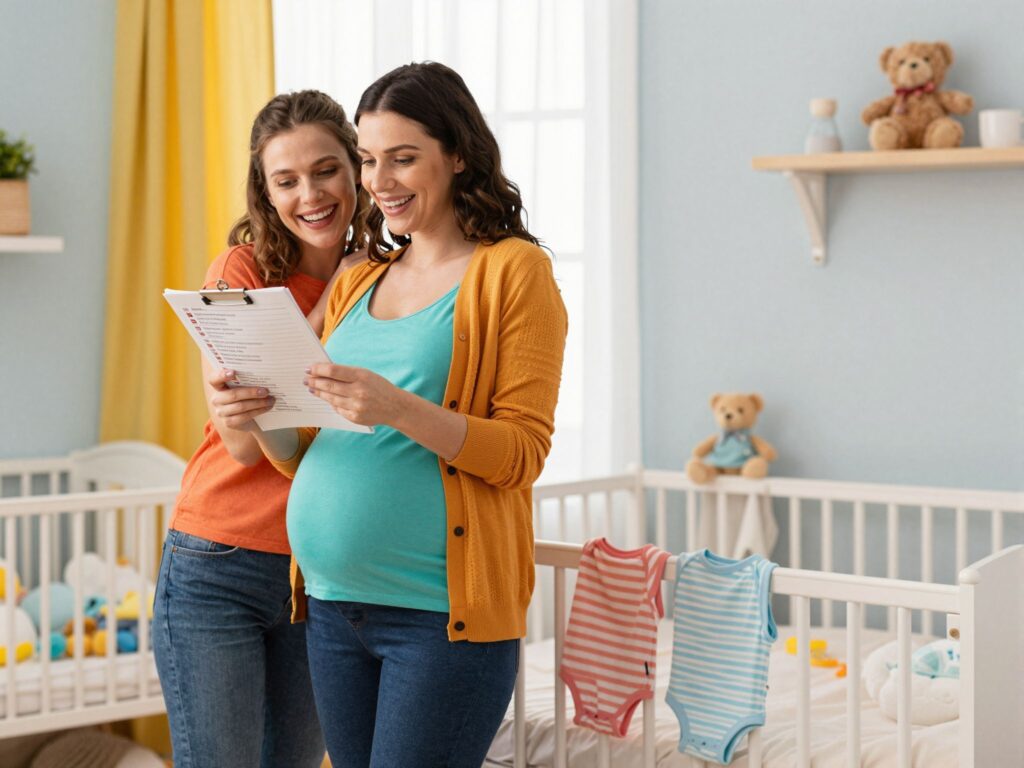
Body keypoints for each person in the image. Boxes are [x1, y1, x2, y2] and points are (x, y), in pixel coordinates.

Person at [249, 62, 568, 767]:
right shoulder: (359, 276)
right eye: (368, 160)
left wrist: (396, 407)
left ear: (456, 155)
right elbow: (305, 450)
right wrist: (255, 411)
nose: (380, 181)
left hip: (439, 621)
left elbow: (521, 454)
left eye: (403, 158)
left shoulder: (514, 272)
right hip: (331, 608)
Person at [152, 90, 369, 768]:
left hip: (316, 576)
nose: (311, 193)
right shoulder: (240, 273)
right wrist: (336, 296)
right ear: (265, 192)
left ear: (358, 171)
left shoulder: (387, 276)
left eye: (327, 169)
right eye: (287, 180)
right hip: (217, 567)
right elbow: (248, 439)